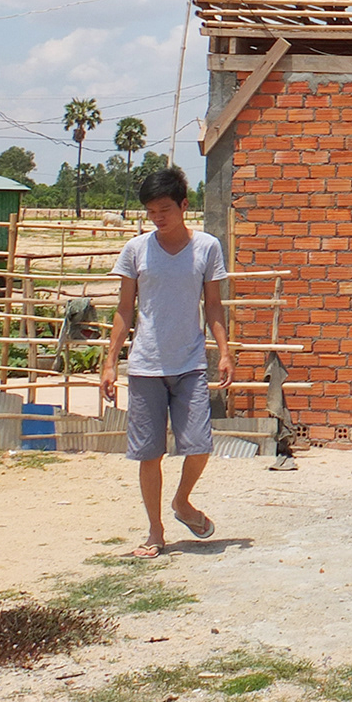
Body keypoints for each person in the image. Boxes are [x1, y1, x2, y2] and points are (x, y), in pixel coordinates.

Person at [102, 168, 234, 559]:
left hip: (190, 362)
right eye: (151, 211)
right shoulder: (136, 250)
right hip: (145, 365)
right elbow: (125, 310)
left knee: (200, 445)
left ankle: (182, 502)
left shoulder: (207, 247)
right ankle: (155, 530)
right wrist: (110, 363)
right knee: (149, 453)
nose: (158, 218)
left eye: (164, 209)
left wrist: (224, 351)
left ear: (183, 206)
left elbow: (212, 304)